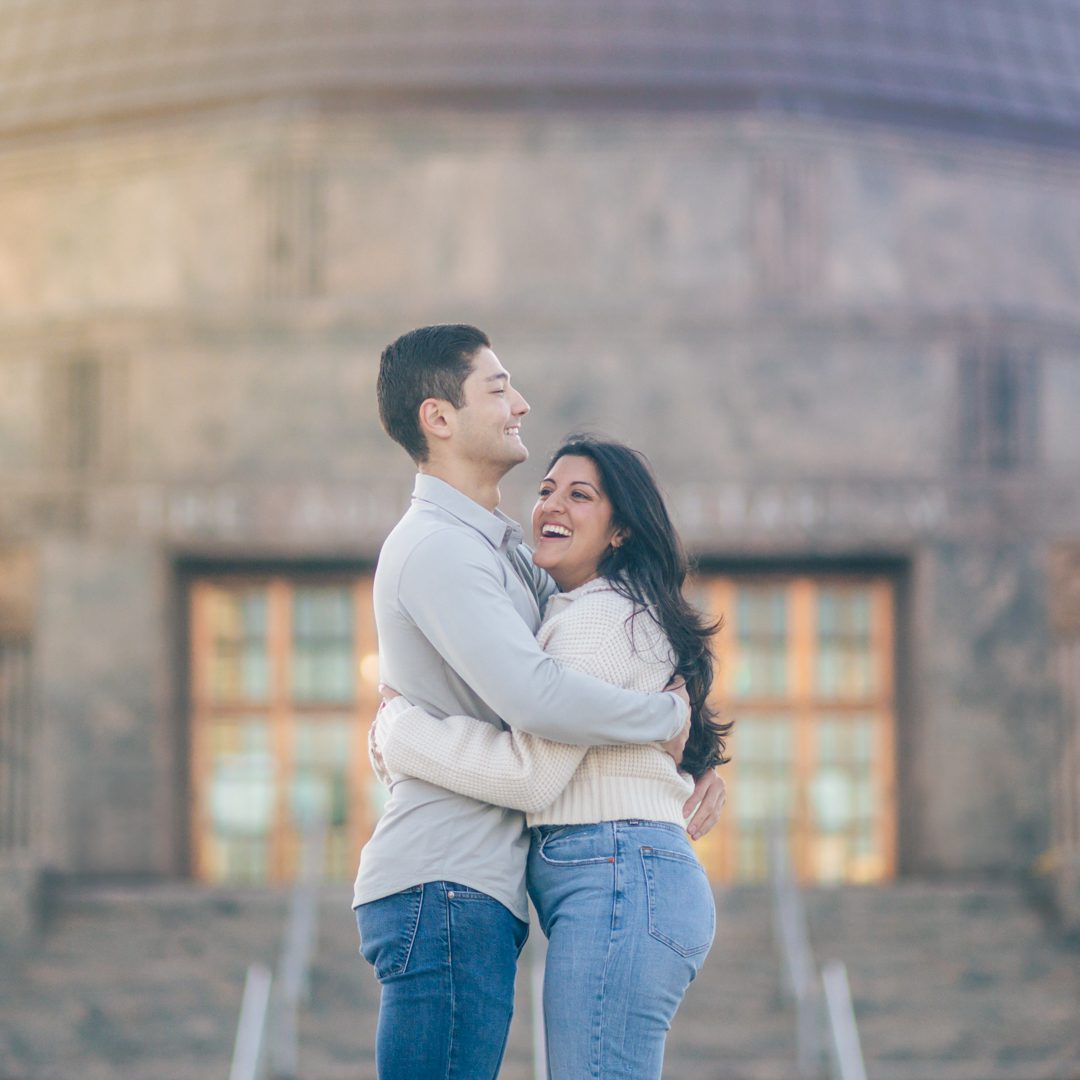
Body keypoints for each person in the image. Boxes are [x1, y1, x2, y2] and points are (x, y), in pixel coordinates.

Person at [353, 325, 726, 1080]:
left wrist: (691, 755)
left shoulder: (526, 568)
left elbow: (586, 685)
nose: (520, 403)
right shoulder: (442, 548)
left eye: (577, 495)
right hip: (447, 882)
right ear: (440, 417)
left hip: (497, 883)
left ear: (620, 529)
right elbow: (539, 701)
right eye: (498, 388)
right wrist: (665, 724)